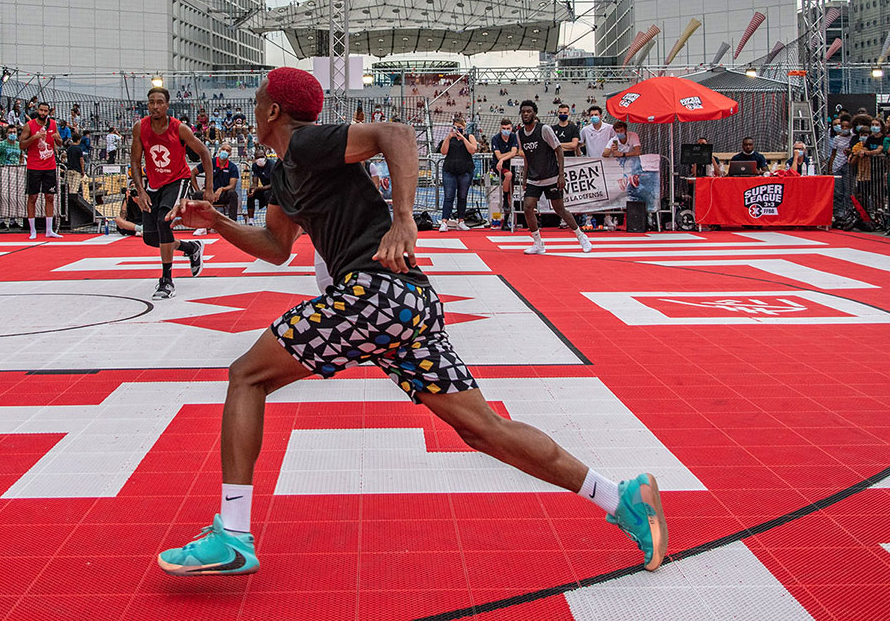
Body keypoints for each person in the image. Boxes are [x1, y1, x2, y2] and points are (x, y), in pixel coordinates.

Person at [156, 68, 666, 577]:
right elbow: (275, 248)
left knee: (247, 376)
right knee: (483, 429)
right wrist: (218, 222)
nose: (252, 106)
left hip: (371, 293)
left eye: (258, 99)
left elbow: (396, 134)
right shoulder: (286, 174)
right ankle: (620, 497)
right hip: (406, 304)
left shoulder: (307, 142)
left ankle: (234, 534)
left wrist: (404, 219)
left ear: (272, 111)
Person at [129, 87, 207, 299]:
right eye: (151, 102)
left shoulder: (179, 128)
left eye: (159, 102)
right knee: (151, 238)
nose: (155, 106)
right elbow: (135, 162)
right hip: (153, 183)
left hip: (177, 180)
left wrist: (208, 188)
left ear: (167, 105)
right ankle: (191, 248)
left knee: (164, 222)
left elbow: (204, 153)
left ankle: (166, 281)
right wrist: (141, 190)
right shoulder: (140, 127)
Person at [516, 100, 592, 255]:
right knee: (528, 207)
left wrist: (561, 175)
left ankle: (581, 236)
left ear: (535, 113)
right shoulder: (519, 134)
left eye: (528, 111)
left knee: (560, 209)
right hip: (533, 178)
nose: (525, 114)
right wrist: (524, 178)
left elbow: (559, 151)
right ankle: (538, 243)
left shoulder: (544, 129)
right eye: (523, 111)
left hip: (551, 175)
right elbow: (526, 158)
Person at [22, 101, 62, 240]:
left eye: (46, 111)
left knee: (50, 196)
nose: (43, 113)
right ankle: (32, 230)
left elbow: (59, 142)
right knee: (32, 197)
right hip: (34, 166)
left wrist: (58, 139)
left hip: (49, 165)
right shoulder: (30, 125)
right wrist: (34, 137)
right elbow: (21, 145)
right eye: (41, 110)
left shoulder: (53, 124)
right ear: (37, 110)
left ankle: (49, 229)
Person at [438, 114, 479, 231]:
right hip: (449, 169)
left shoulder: (469, 136)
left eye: (460, 127)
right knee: (448, 196)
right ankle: (444, 221)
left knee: (462, 196)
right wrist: (449, 137)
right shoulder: (449, 138)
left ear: (464, 128)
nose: (458, 129)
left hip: (465, 170)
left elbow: (473, 150)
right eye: (456, 127)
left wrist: (463, 138)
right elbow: (443, 151)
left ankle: (461, 220)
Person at [490, 118, 520, 230]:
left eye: (508, 128)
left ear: (511, 128)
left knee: (511, 195)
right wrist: (502, 159)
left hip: (511, 165)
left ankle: (507, 221)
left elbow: (514, 152)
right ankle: (504, 197)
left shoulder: (514, 137)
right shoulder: (495, 139)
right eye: (504, 128)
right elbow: (498, 156)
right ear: (500, 128)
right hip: (498, 167)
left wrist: (504, 157)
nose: (506, 130)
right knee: (508, 175)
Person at [207, 141, 241, 220]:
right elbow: (194, 172)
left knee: (233, 193)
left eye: (227, 150)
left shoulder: (232, 167)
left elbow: (232, 186)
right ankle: (201, 224)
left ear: (230, 154)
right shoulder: (210, 162)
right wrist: (204, 190)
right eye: (223, 149)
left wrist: (222, 189)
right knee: (197, 194)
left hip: (223, 195)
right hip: (209, 194)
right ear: (219, 150)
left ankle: (232, 222)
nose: (225, 151)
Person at [244, 148, 276, 221]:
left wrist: (257, 188)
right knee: (250, 193)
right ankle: (251, 221)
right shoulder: (255, 166)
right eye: (257, 157)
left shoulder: (272, 165)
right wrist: (252, 189)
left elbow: (272, 185)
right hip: (264, 188)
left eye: (261, 157)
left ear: (265, 156)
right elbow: (255, 183)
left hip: (275, 189)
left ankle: (270, 220)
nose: (259, 159)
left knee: (267, 193)